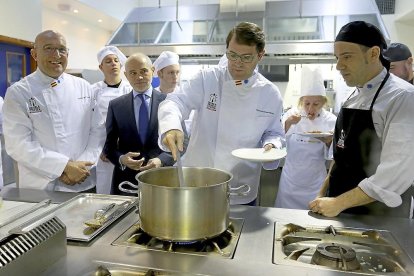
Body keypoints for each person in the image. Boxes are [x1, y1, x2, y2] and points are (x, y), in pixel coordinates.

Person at [158, 22, 285, 205]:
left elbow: (274, 132)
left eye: (246, 57)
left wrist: (272, 144)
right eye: (232, 55)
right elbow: (175, 101)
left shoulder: (269, 93)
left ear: (260, 55)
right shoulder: (207, 78)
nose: (237, 63)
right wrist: (171, 127)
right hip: (198, 181)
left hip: (240, 187)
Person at [309, 21, 414, 218]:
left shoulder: (403, 98)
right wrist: (323, 193)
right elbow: (341, 157)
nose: (339, 66)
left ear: (374, 53)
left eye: (347, 57)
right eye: (337, 58)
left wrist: (339, 203)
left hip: (378, 220)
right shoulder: (353, 97)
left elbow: (394, 174)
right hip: (338, 213)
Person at [3, 30, 104, 192]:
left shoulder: (83, 86)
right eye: (48, 48)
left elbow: (98, 130)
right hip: (41, 186)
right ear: (34, 54)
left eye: (62, 49)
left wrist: (81, 166)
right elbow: (18, 144)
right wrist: (63, 166)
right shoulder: (19, 92)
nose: (56, 55)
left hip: (84, 180)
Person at [103, 53, 174, 195]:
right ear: (126, 75)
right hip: (125, 183)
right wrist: (121, 159)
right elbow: (109, 147)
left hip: (161, 180)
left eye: (143, 71)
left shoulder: (169, 102)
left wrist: (161, 160)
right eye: (133, 73)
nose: (139, 77)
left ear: (152, 71)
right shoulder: (116, 106)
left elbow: (181, 143)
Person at [275, 66, 337, 210]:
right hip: (290, 180)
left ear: (323, 102)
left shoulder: (330, 120)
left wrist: (328, 142)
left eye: (316, 104)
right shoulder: (292, 115)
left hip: (315, 183)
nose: (310, 109)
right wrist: (289, 123)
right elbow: (278, 140)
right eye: (307, 103)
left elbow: (335, 154)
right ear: (301, 101)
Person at [93, 46, 131, 194]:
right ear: (100, 67)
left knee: (126, 188)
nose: (113, 63)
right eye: (108, 61)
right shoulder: (93, 91)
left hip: (124, 147)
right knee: (104, 188)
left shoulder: (129, 89)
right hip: (100, 148)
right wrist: (103, 148)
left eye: (116, 60)